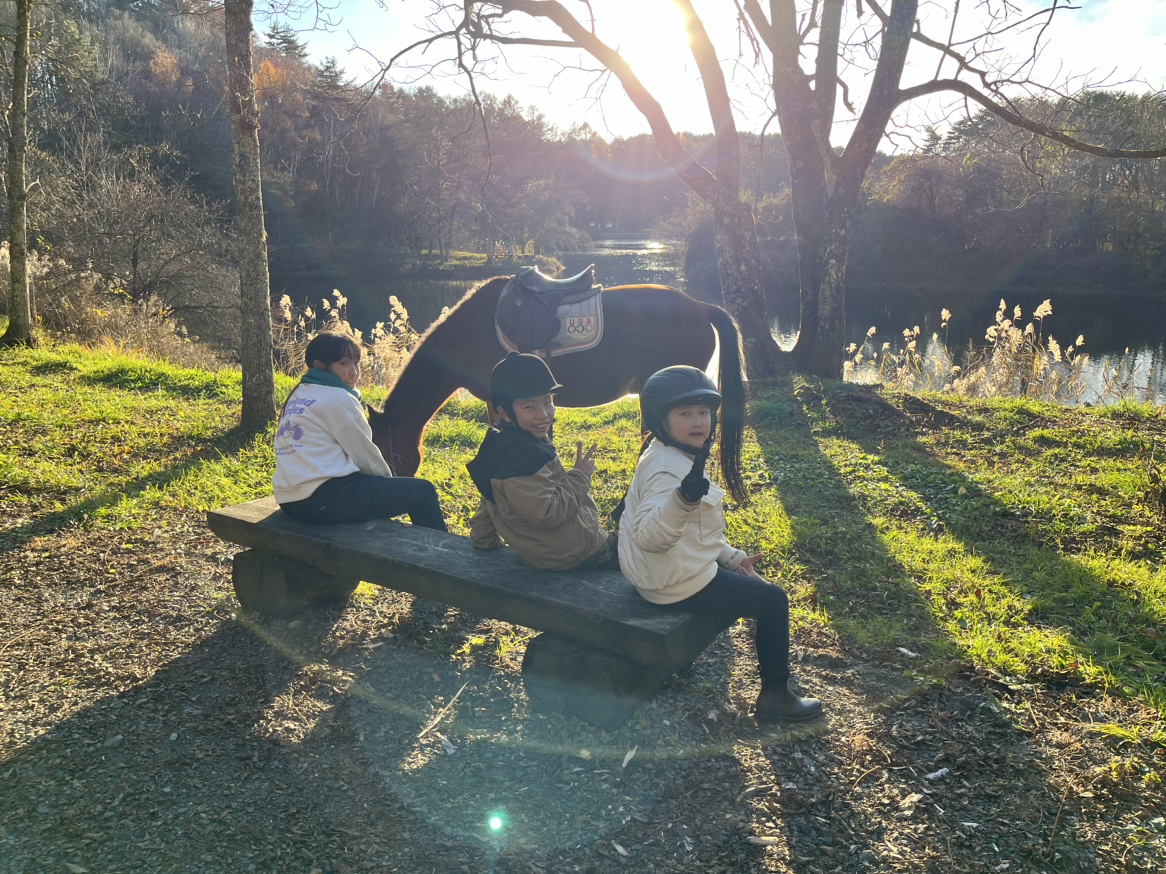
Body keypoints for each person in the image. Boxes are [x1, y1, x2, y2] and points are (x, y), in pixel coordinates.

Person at [617, 365, 822, 723]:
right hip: (670, 582)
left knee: (753, 590)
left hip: (664, 571)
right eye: (685, 414)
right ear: (661, 420)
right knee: (773, 601)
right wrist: (682, 499)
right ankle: (775, 698)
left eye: (704, 412)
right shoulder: (668, 470)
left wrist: (732, 559)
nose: (698, 422)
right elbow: (649, 537)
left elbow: (694, 531)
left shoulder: (670, 452)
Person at [273, 331, 447, 531]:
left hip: (289, 501)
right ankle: (438, 550)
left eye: (356, 362)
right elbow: (365, 456)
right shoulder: (339, 398)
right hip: (324, 499)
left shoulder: (299, 395)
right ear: (319, 366)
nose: (354, 372)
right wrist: (389, 485)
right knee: (423, 492)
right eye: (344, 363)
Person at [466, 352, 618, 571]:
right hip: (572, 553)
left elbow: (490, 498)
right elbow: (548, 513)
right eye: (530, 407)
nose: (544, 414)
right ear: (504, 413)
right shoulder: (524, 460)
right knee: (637, 551)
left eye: (548, 402)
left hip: (542, 552)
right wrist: (580, 475)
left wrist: (483, 539)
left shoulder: (498, 443)